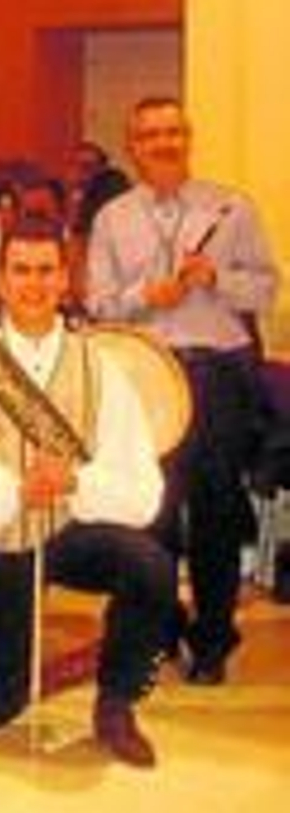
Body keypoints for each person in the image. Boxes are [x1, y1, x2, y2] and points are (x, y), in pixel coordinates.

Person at [0, 220, 173, 765]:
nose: (33, 284)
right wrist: (16, 490)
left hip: (70, 529)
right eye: (20, 271)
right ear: (0, 279)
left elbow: (143, 493)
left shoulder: (101, 366)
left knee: (150, 565)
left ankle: (117, 701)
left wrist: (76, 481)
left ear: (66, 279)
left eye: (46, 271)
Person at [86, 96, 280, 684]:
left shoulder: (232, 207)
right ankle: (157, 629)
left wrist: (217, 279)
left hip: (218, 373)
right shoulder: (112, 217)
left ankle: (215, 638)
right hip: (146, 377)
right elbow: (96, 303)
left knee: (218, 511)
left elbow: (267, 289)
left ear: (187, 139)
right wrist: (148, 296)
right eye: (151, 135)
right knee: (154, 511)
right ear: (134, 145)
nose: (164, 143)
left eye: (174, 132)